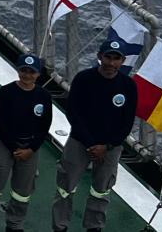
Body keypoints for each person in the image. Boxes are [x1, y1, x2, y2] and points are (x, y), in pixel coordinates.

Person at [52, 41, 139, 232]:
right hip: (79, 142)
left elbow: (126, 123)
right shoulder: (83, 79)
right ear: (100, 56)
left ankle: (94, 227)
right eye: (108, 57)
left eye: (116, 58)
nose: (111, 62)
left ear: (123, 61)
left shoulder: (128, 86)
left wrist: (106, 146)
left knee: (102, 190)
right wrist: (92, 144)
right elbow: (73, 113)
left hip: (110, 148)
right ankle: (60, 226)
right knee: (65, 186)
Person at [0, 54, 52, 232]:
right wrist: (14, 147)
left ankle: (15, 224)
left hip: (30, 148)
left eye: (31, 72)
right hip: (4, 145)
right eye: (23, 70)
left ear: (37, 74)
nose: (27, 75)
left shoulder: (43, 96)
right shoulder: (6, 92)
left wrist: (31, 149)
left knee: (22, 192)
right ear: (18, 70)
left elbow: (44, 126)